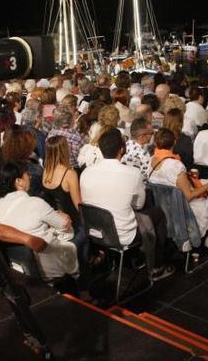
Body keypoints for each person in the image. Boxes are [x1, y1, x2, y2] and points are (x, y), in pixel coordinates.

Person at [80, 129, 175, 281]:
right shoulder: (132, 173)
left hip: (94, 231)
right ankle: (157, 266)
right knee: (157, 214)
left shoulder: (86, 172)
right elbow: (139, 205)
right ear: (122, 149)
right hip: (122, 236)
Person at [0, 161, 79, 280]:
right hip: (47, 267)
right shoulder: (36, 203)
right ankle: (83, 286)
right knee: (78, 237)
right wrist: (63, 218)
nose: (29, 177)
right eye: (27, 175)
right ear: (19, 182)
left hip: (20, 266)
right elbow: (64, 225)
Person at [41, 136, 88, 267]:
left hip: (53, 221)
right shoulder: (70, 174)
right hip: (70, 223)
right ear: (64, 150)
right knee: (88, 232)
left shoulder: (45, 171)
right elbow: (78, 205)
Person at [46, 105, 84, 169]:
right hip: (72, 169)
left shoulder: (51, 133)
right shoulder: (75, 137)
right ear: (70, 119)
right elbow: (81, 159)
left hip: (53, 167)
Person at [121, 117, 154, 182]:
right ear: (142, 136)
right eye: (151, 133)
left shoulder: (122, 147)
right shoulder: (144, 154)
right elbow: (145, 180)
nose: (153, 136)